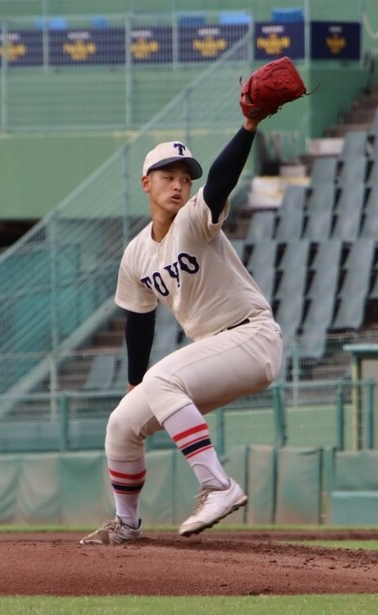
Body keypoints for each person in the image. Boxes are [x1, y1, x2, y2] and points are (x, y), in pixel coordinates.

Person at [79, 101, 283, 546]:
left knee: (164, 378)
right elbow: (139, 318)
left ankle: (218, 486)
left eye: (185, 177)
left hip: (251, 335)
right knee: (121, 424)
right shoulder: (136, 252)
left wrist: (248, 126)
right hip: (217, 349)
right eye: (169, 176)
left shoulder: (194, 220)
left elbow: (221, 182)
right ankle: (127, 525)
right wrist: (135, 383)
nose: (179, 184)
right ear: (146, 183)